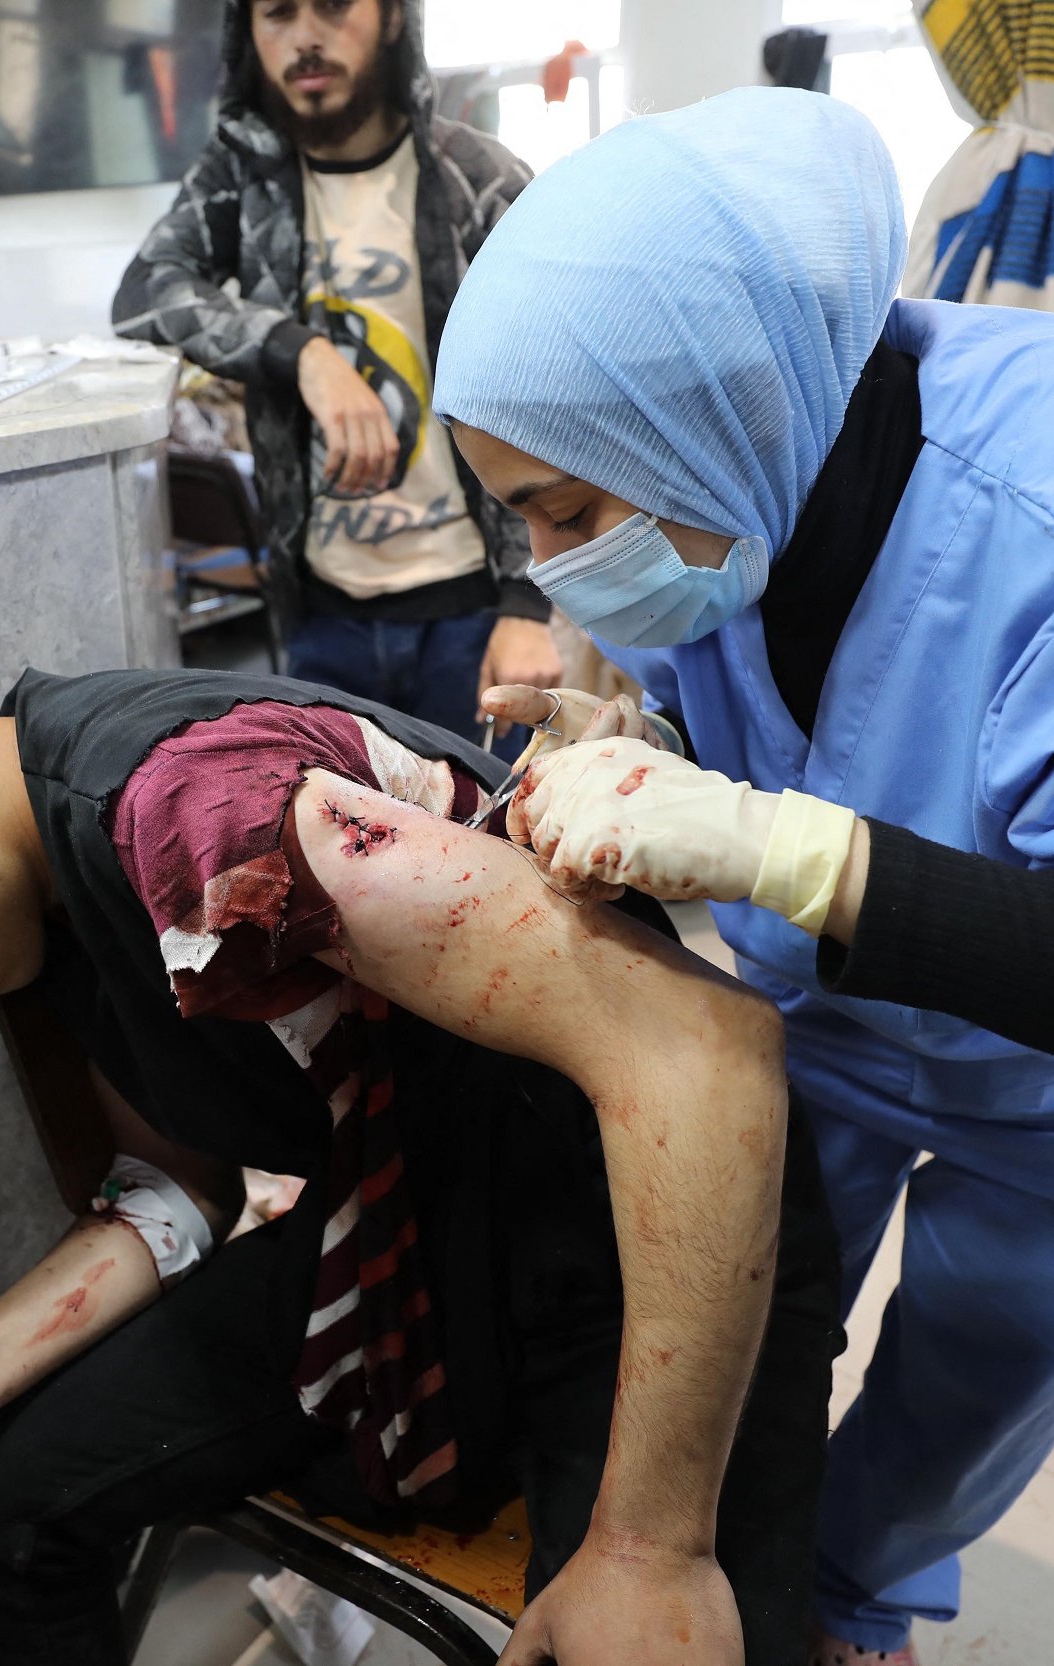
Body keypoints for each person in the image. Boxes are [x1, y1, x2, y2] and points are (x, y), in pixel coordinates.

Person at [0, 663, 842, 1666]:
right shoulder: (33, 885)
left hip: (648, 1233)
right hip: (417, 1215)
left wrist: (649, 1549)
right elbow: (172, 1188)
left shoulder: (206, 815)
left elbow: (706, 1052)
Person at [433, 85, 1054, 1666]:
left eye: (570, 516)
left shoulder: (1030, 515)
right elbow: (751, 684)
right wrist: (624, 723)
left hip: (1036, 1079)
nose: (557, 568)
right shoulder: (738, 480)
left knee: (970, 1375)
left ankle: (859, 1596)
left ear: (714, 418)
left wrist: (759, 839)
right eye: (524, 522)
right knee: (749, 1313)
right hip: (820, 1015)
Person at [112, 0, 559, 748]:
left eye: (331, 6)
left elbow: (555, 390)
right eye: (278, 14)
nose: (306, 37)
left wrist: (529, 603)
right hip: (319, 618)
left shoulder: (475, 178)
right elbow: (144, 294)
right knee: (336, 850)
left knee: (496, 843)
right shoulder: (241, 180)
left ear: (390, 18)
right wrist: (300, 352)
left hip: (474, 614)